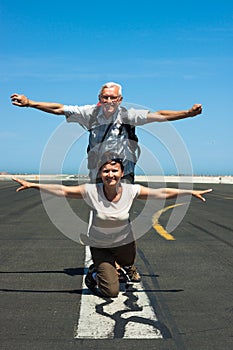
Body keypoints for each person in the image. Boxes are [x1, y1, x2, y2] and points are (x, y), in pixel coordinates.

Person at [10, 82, 203, 282]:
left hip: (123, 172)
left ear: (120, 100)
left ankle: (125, 262)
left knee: (121, 212)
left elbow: (159, 116)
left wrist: (187, 113)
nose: (109, 101)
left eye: (113, 97)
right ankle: (102, 256)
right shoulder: (90, 113)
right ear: (99, 99)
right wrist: (29, 103)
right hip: (97, 171)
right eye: (105, 97)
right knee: (99, 211)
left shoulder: (128, 115)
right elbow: (59, 108)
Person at [12, 157, 212, 298]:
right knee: (111, 293)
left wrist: (188, 192)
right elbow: (62, 190)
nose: (110, 174)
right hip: (99, 245)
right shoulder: (91, 191)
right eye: (106, 170)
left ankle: (123, 266)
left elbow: (161, 193)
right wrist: (33, 185)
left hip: (123, 243)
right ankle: (94, 273)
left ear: (122, 173)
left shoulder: (131, 190)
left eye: (114, 170)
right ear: (100, 173)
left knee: (127, 259)